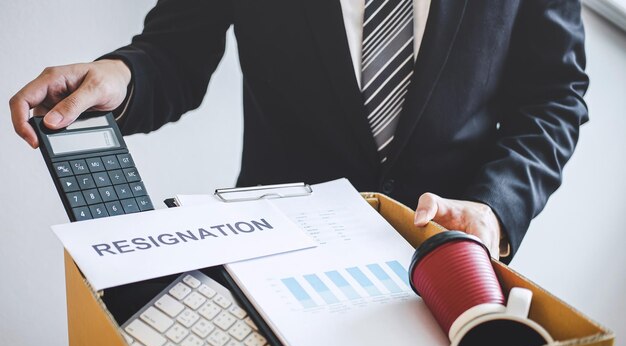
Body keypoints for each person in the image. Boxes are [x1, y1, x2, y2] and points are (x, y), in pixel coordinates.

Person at [9, 0, 589, 263]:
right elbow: (176, 51)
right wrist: (122, 74)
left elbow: (553, 96)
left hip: (448, 260)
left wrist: (496, 210)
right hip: (275, 249)